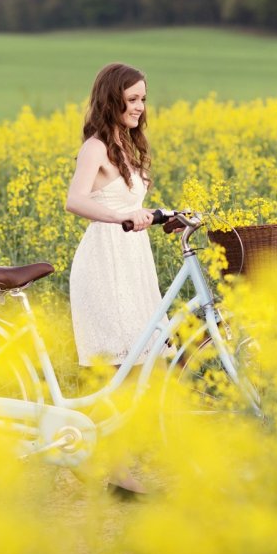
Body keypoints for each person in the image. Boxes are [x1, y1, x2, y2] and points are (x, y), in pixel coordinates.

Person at [65, 62, 166, 497]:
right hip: (104, 262)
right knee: (118, 370)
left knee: (145, 365)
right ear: (112, 99)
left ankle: (105, 458)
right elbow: (75, 201)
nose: (141, 107)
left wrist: (167, 217)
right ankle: (114, 470)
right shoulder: (96, 147)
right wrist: (123, 215)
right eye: (133, 99)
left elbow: (129, 203)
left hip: (132, 260)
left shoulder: (129, 144)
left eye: (144, 98)